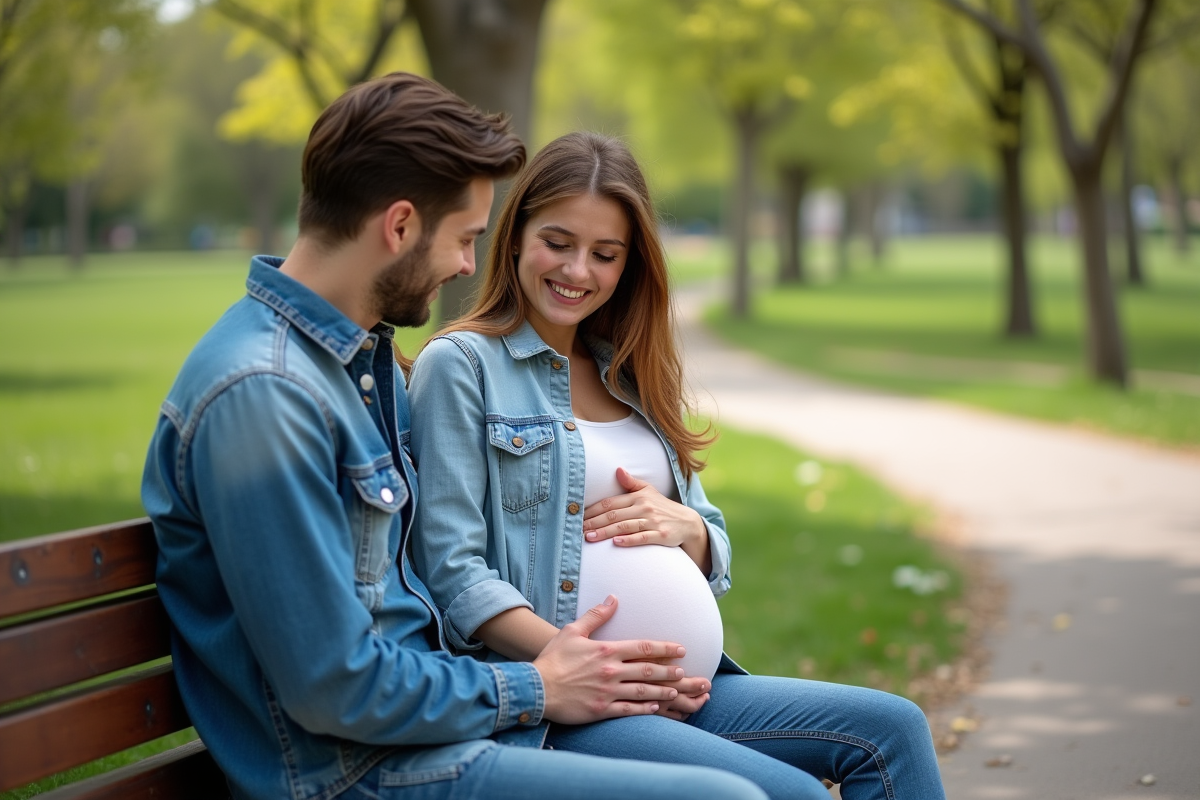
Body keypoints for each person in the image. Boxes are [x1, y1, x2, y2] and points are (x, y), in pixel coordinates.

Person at [142, 74, 772, 800]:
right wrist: (535, 686)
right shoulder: (266, 395)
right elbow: (333, 686)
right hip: (357, 772)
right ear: (400, 226)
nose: (470, 266)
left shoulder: (350, 366)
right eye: (467, 238)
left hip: (436, 734)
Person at [408, 131, 948, 800]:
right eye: (558, 242)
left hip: (692, 687)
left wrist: (688, 527)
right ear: (515, 235)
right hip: (566, 703)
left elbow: (712, 537)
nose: (578, 271)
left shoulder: (629, 374)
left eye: (604, 254)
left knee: (893, 729)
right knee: (795, 796)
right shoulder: (462, 368)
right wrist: (575, 664)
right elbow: (453, 571)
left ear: (629, 264)